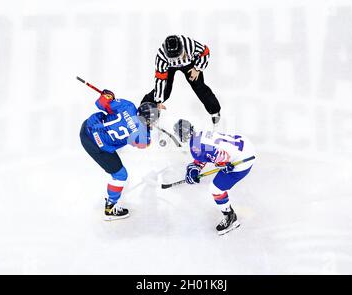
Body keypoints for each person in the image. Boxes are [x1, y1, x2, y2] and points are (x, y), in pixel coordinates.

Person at [80, 89, 159, 220]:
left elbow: (100, 103)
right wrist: (147, 127)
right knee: (120, 175)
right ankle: (110, 209)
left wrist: (108, 96)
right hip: (95, 145)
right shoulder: (143, 136)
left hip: (87, 126)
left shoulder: (127, 105)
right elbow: (144, 145)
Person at [173, 119, 256, 235]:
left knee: (216, 189)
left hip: (242, 161)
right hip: (246, 145)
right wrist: (196, 167)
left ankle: (230, 217)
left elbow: (220, 155)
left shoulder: (195, 147)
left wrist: (224, 164)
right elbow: (206, 151)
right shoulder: (200, 134)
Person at [142, 35, 221, 125]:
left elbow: (205, 52)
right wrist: (158, 101)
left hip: (189, 63)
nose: (177, 59)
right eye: (174, 58)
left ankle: (215, 111)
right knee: (165, 91)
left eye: (179, 56)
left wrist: (197, 68)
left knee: (199, 86)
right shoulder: (161, 56)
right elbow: (160, 79)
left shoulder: (190, 45)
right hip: (169, 67)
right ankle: (145, 108)